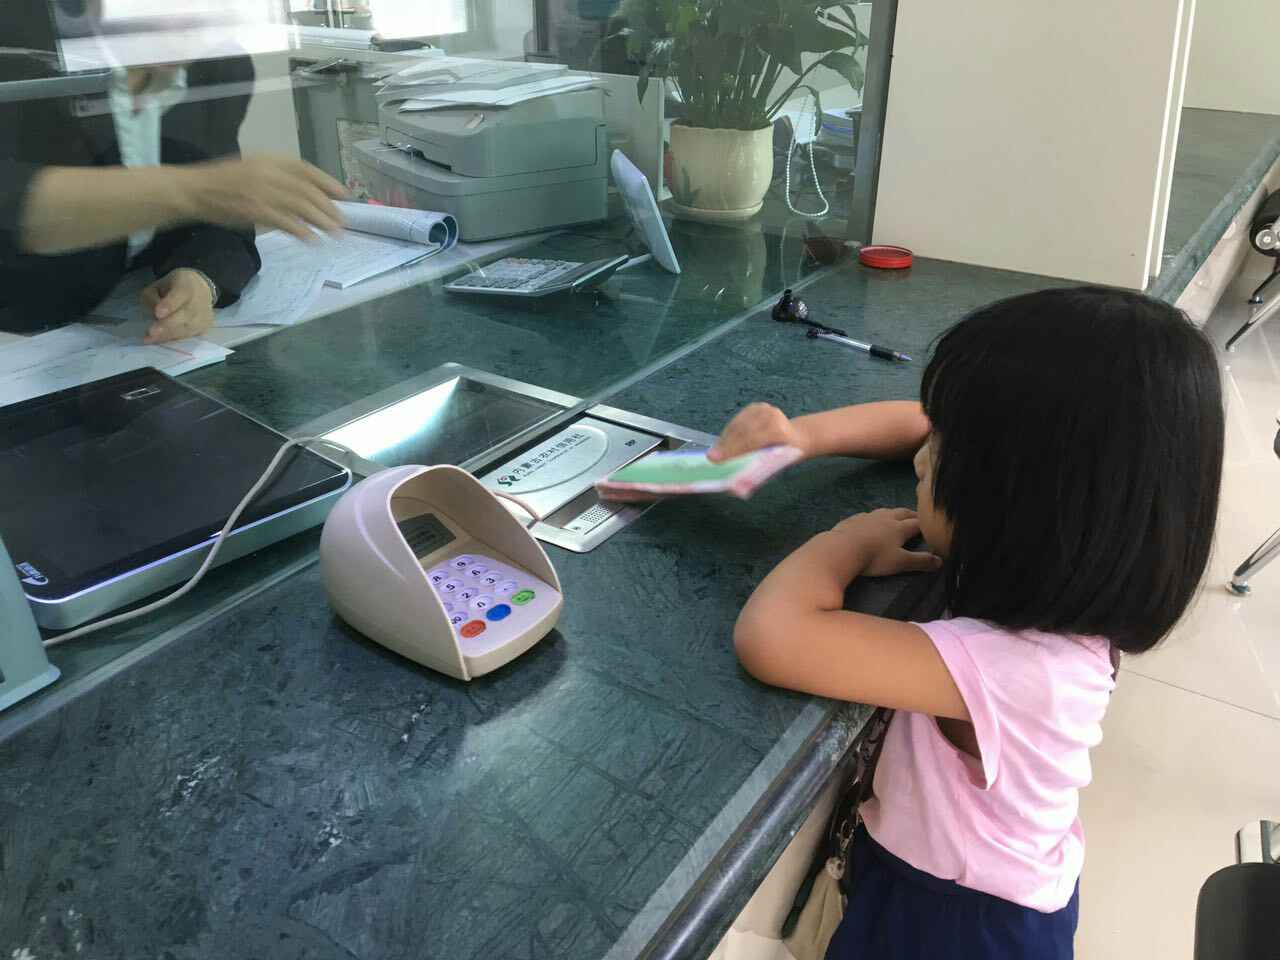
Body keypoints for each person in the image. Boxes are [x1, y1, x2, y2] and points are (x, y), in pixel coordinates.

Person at [714, 287, 1224, 959]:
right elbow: (918, 421)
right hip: (984, 896)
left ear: (1018, 504)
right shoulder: (1070, 588)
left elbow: (773, 638)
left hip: (951, 927)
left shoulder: (1013, 664)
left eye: (943, 455)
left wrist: (848, 540)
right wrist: (801, 437)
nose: (921, 458)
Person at [0, 0, 346, 342]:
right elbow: (11, 201)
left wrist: (200, 275)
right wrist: (193, 189)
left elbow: (221, 214)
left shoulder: (219, 67)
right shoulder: (19, 47)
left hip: (120, 330)